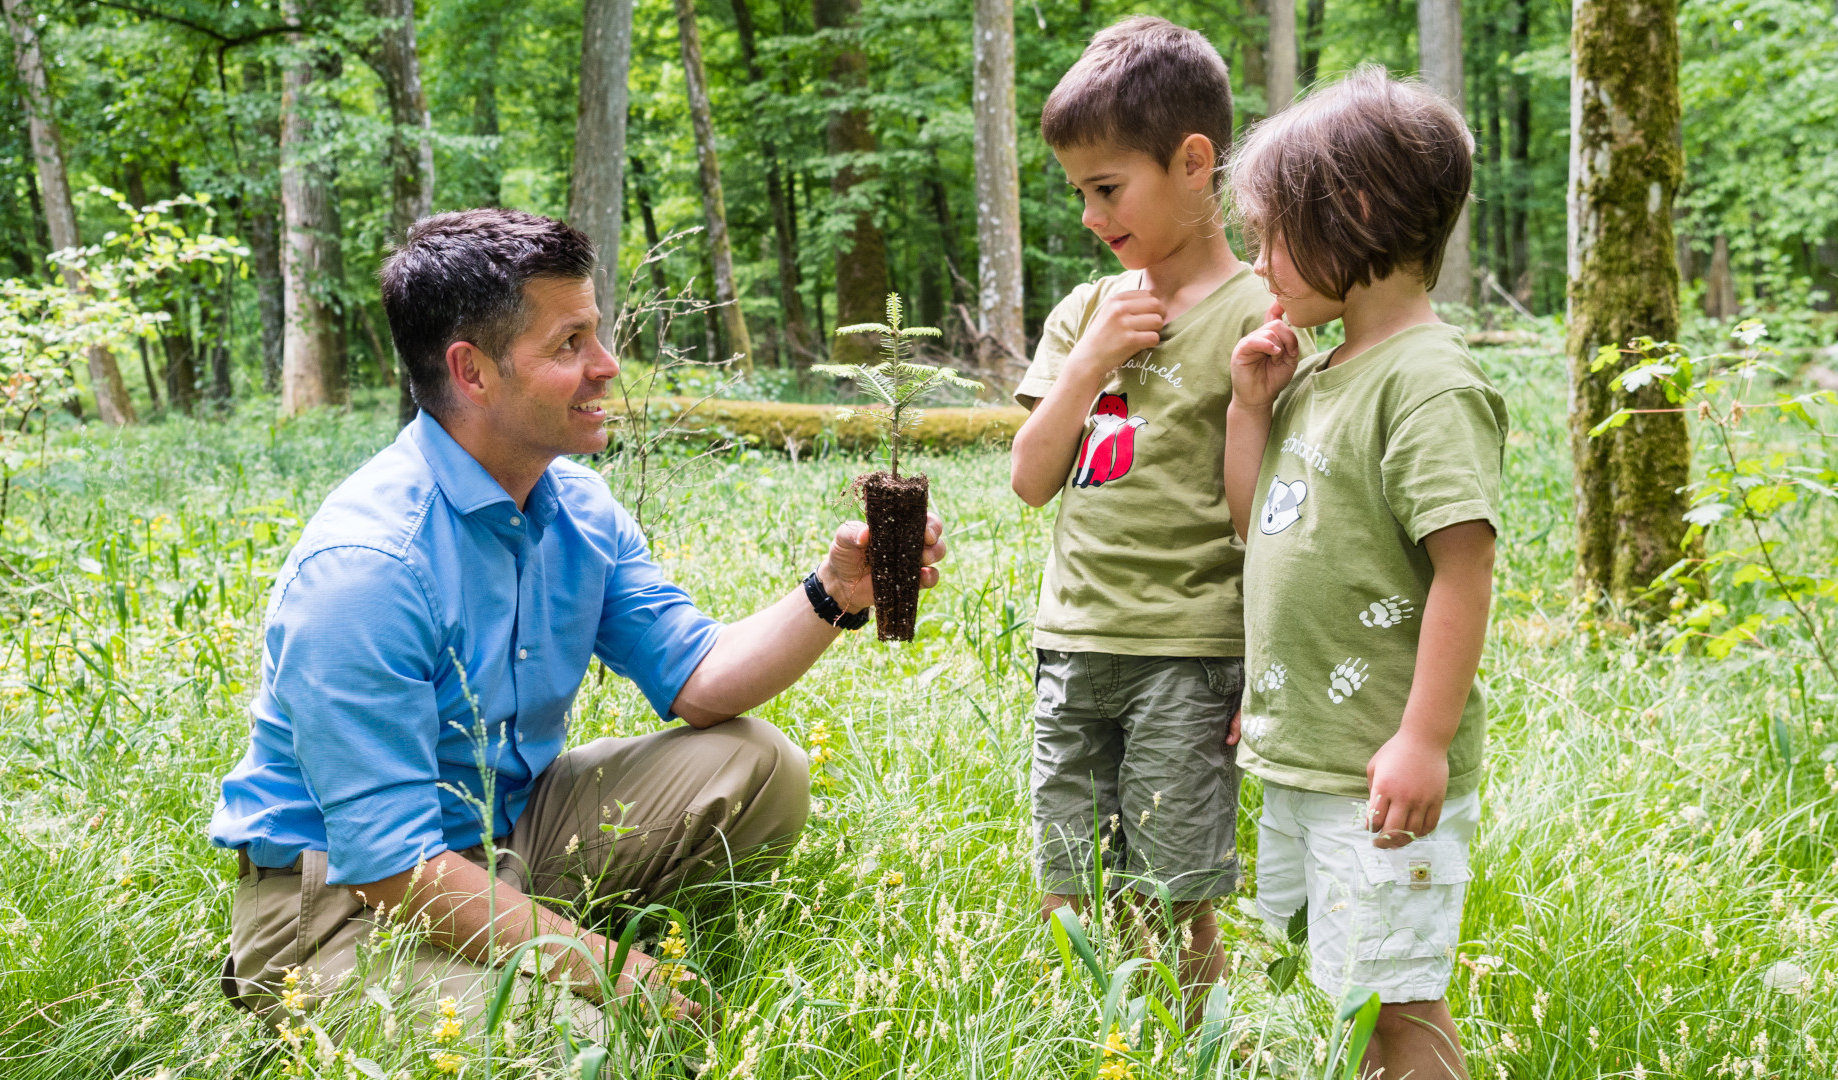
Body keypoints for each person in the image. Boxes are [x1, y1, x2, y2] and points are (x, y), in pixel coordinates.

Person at [209, 208, 946, 1021]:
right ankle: (340, 994)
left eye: (597, 333)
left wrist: (835, 592)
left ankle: (539, 953)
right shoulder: (366, 569)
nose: (607, 365)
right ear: (474, 371)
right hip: (344, 893)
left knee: (759, 766)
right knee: (579, 1049)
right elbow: (393, 865)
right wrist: (613, 972)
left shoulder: (577, 510)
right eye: (570, 344)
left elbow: (701, 681)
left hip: (504, 833)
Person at [1007, 16, 1312, 1008]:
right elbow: (1029, 476)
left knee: (1173, 894)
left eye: (1108, 189)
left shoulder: (1260, 316)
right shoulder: (1083, 312)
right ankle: (1092, 1043)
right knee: (1069, 885)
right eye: (1078, 193)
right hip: (1072, 642)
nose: (1092, 216)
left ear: (1193, 163)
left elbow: (1270, 510)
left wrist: (1261, 666)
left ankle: (1194, 1045)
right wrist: (1093, 359)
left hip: (1187, 648)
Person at [1224, 68, 1504, 1078]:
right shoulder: (1325, 370)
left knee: (1398, 1000)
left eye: (1271, 235)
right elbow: (1263, 528)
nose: (1258, 263)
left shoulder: (1429, 384)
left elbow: (1464, 574)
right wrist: (1252, 408)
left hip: (1382, 772)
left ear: (1357, 209)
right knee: (1351, 988)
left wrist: (1424, 740)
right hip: (1313, 754)